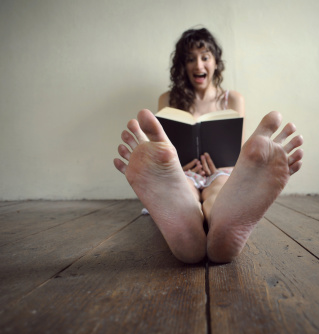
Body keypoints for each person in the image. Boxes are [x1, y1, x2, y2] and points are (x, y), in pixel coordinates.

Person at [114, 28, 304, 264]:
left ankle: (224, 219)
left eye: (205, 57)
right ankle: (185, 213)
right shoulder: (168, 99)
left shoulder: (233, 99)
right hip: (181, 170)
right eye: (191, 58)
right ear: (182, 65)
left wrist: (221, 166)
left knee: (219, 188)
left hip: (221, 169)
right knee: (185, 189)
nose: (198, 64)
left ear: (216, 62)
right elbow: (167, 144)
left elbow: (236, 149)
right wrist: (177, 166)